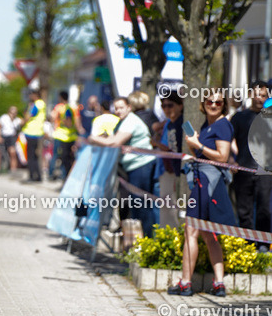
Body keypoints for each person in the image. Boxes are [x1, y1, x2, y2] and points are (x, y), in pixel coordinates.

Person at [167, 89, 237, 297]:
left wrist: (197, 145)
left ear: (223, 105)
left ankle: (186, 282)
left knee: (192, 231)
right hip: (204, 183)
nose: (213, 105)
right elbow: (205, 155)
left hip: (207, 184)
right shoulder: (209, 126)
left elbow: (222, 157)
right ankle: (218, 283)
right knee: (208, 234)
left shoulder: (223, 125)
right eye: (210, 101)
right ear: (203, 102)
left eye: (218, 102)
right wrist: (194, 147)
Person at [88, 93, 158, 246]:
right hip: (132, 167)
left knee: (141, 207)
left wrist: (94, 139)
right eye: (116, 108)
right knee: (133, 206)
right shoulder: (122, 122)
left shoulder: (131, 121)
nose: (118, 111)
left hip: (141, 166)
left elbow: (114, 142)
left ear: (129, 107)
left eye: (121, 108)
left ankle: (148, 244)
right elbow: (114, 140)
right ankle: (139, 244)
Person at [230, 81, 272, 247]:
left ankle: (263, 244)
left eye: (263, 95)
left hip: (265, 169)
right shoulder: (240, 117)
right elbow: (229, 138)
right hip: (244, 168)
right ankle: (247, 244)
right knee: (244, 210)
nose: (259, 98)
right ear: (250, 95)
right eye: (256, 94)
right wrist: (232, 159)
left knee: (264, 208)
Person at [152, 89, 186, 230]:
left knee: (180, 209)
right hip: (168, 170)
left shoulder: (184, 123)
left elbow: (192, 145)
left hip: (183, 172)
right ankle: (168, 237)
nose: (166, 109)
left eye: (170, 105)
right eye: (163, 106)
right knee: (166, 208)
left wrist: (157, 144)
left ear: (180, 105)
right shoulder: (168, 123)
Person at [49, 91, 79, 180]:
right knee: (66, 156)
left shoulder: (58, 108)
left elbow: (53, 118)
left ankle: (52, 173)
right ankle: (64, 174)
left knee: (57, 155)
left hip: (60, 134)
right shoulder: (73, 108)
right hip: (70, 135)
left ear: (61, 97)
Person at [20, 88, 45, 182]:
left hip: (32, 132)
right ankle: (37, 176)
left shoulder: (37, 104)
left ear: (35, 95)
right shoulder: (41, 104)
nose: (30, 96)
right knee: (35, 156)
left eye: (31, 94)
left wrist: (22, 122)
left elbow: (29, 115)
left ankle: (32, 176)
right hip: (37, 132)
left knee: (31, 156)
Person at [0, 105, 20, 176]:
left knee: (12, 153)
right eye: (12, 112)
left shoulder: (17, 120)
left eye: (15, 113)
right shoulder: (4, 118)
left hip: (11, 137)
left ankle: (13, 170)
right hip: (3, 136)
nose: (13, 114)